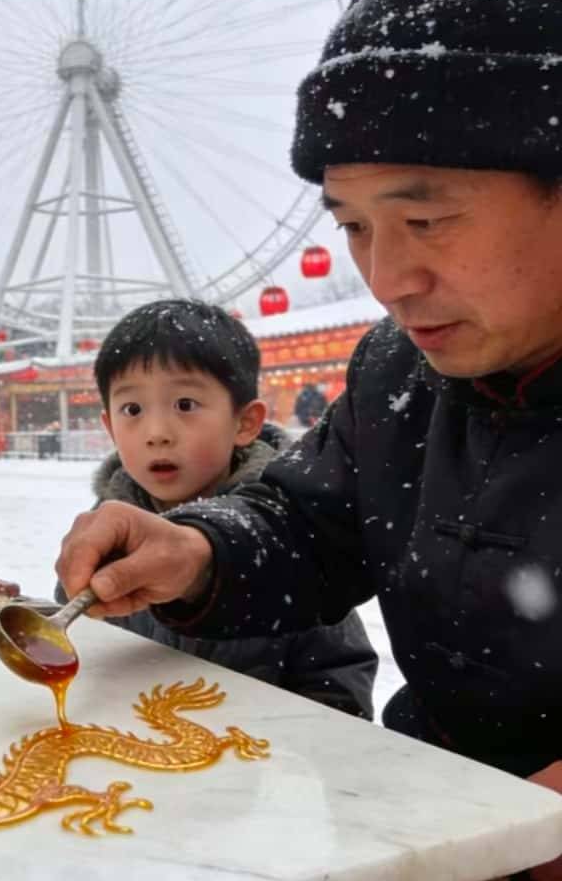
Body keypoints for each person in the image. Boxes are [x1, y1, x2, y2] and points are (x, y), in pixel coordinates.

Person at [56, 0, 562, 881]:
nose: (389, 277)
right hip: (433, 857)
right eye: (353, 226)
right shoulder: (403, 368)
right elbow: (307, 517)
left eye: (426, 219)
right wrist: (197, 551)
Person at [58, 300, 376, 717]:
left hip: (251, 762)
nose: (156, 433)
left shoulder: (289, 535)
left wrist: (298, 750)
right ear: (109, 426)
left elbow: (339, 674)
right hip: (131, 752)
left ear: (245, 422)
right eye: (132, 410)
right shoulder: (102, 534)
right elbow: (79, 641)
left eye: (185, 405)